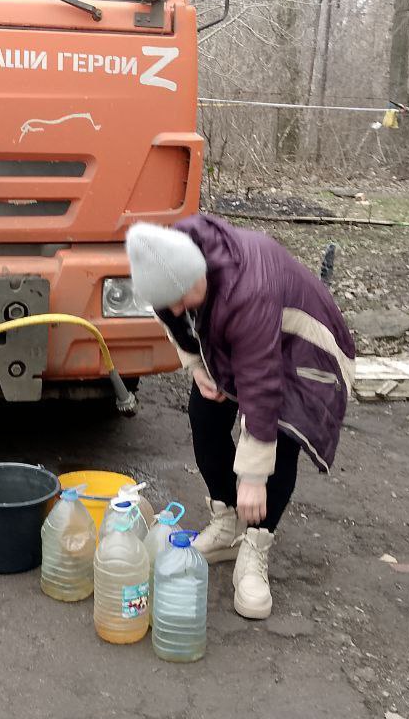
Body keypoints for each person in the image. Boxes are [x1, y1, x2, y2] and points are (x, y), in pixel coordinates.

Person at [125, 215, 356, 620]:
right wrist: (196, 364)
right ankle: (228, 522)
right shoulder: (169, 266)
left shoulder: (248, 288)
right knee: (205, 413)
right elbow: (174, 317)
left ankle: (255, 544)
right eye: (169, 301)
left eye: (181, 296)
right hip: (239, 336)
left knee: (280, 435)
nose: (177, 307)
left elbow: (261, 385)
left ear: (200, 272)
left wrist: (251, 477)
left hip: (303, 345)